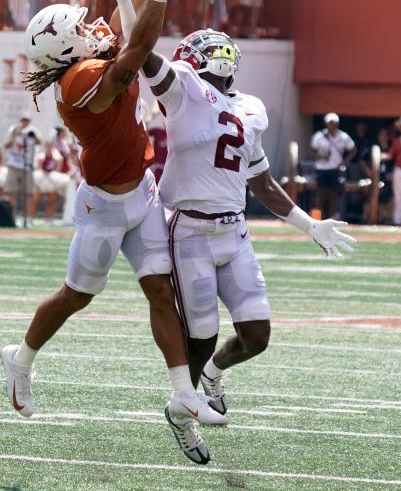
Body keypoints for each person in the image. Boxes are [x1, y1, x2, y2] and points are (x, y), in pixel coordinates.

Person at [0, 0, 227, 468]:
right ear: (65, 50)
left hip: (141, 193)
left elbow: (131, 38)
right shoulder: (78, 82)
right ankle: (21, 359)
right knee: (78, 295)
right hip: (103, 205)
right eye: (80, 26)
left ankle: (182, 390)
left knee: (159, 290)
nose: (91, 25)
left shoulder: (88, 60)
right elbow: (137, 49)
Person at [139, 26, 355, 425]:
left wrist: (310, 226)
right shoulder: (182, 90)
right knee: (200, 336)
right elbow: (145, 53)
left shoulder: (250, 108)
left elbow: (261, 182)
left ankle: (212, 374)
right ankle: (183, 411)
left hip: (234, 233)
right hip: (190, 232)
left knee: (257, 336)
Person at [310, 113, 355, 221]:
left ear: (337, 124)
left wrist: (345, 162)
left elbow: (353, 150)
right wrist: (320, 157)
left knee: (334, 194)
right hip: (321, 168)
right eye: (330, 123)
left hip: (335, 168)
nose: (332, 125)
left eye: (334, 123)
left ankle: (332, 218)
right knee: (321, 194)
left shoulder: (343, 137)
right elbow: (312, 150)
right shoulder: (319, 136)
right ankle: (316, 218)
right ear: (326, 124)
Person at [3, 114, 39, 221]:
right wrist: (15, 136)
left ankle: (27, 218)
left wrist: (33, 135)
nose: (25, 122)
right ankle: (12, 217)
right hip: (14, 164)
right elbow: (6, 145)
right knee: (12, 191)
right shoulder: (13, 129)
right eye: (23, 120)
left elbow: (39, 142)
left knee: (28, 193)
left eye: (27, 120)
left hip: (27, 165)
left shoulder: (33, 131)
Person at [30, 137, 70, 225]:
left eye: (50, 145)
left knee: (51, 202)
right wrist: (45, 175)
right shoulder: (41, 156)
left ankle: (48, 220)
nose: (48, 147)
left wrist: (51, 176)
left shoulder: (58, 157)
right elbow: (39, 168)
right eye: (47, 145)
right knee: (35, 201)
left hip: (52, 181)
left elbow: (58, 170)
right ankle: (30, 218)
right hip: (42, 181)